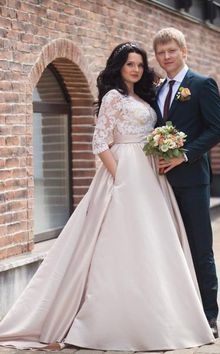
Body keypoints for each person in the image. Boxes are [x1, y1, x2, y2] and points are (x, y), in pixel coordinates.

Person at [0, 43, 215, 351]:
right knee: (119, 242)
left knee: (155, 241)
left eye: (139, 65)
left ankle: (161, 313)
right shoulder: (113, 97)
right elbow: (99, 142)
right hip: (125, 172)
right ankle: (108, 319)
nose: (135, 69)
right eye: (129, 64)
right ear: (118, 67)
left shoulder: (145, 97)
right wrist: (120, 177)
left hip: (150, 174)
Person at [153, 27, 220, 338]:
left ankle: (209, 316)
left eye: (171, 51)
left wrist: (185, 156)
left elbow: (215, 129)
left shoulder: (202, 84)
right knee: (169, 248)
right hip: (159, 182)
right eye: (161, 52)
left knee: (200, 247)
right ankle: (177, 310)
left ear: (183, 51)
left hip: (193, 180)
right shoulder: (158, 90)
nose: (166, 57)